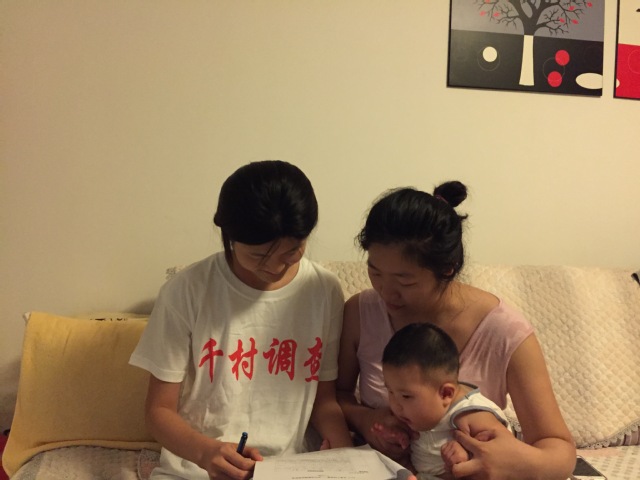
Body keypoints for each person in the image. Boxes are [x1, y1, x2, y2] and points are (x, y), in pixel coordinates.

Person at [336, 181, 576, 480]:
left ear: (447, 268)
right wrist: (367, 420)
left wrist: (510, 462)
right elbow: (337, 395)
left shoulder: (503, 331)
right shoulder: (360, 312)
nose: (385, 291)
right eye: (375, 272)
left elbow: (558, 448)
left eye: (405, 281)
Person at [130, 160, 353, 480]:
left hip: (288, 469)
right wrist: (205, 452)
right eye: (259, 256)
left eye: (291, 252)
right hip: (198, 469)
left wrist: (347, 461)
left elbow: (324, 400)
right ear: (229, 236)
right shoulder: (187, 291)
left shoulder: (324, 289)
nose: (275, 267)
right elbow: (158, 411)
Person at [383, 322, 513, 479]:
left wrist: (468, 456)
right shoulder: (418, 412)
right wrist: (398, 440)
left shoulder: (472, 415)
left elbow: (508, 458)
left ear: (445, 394)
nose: (396, 405)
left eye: (406, 396)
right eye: (390, 391)